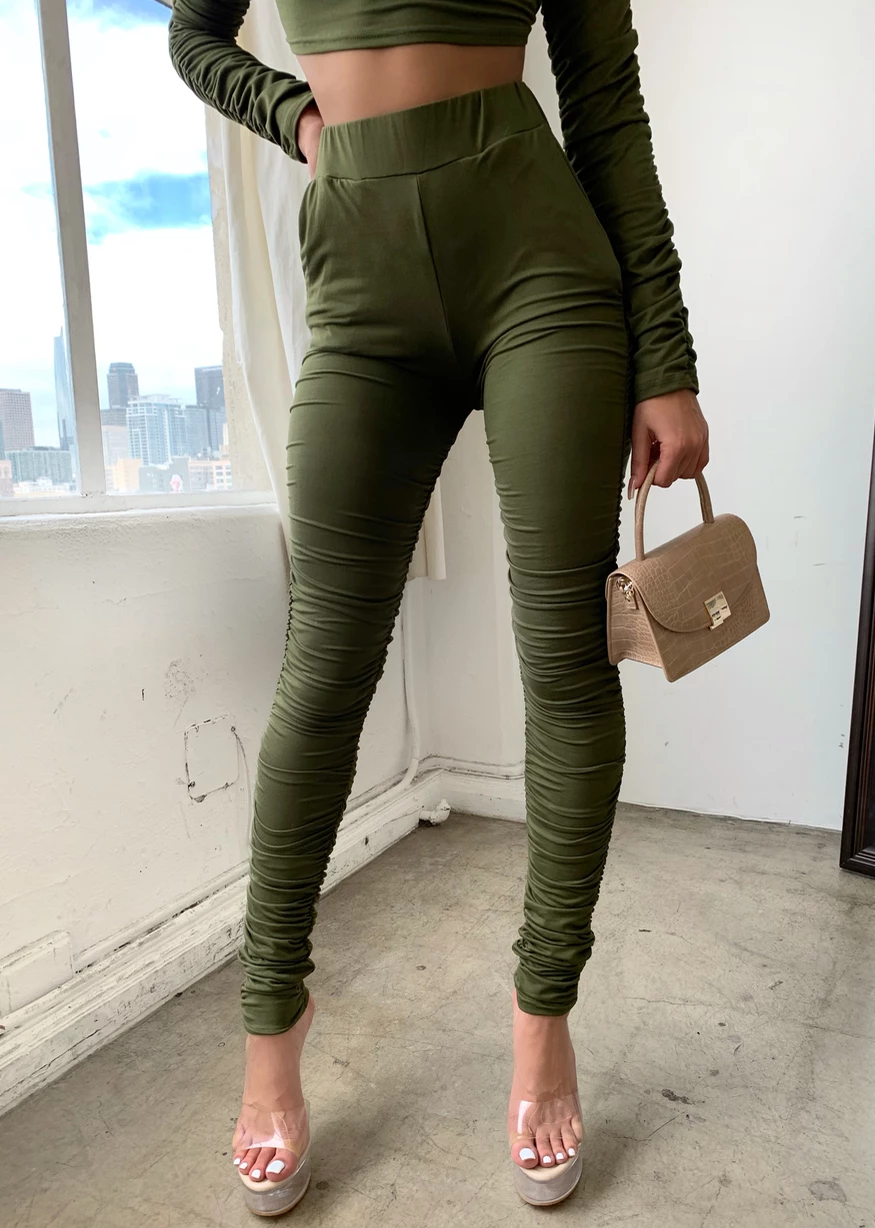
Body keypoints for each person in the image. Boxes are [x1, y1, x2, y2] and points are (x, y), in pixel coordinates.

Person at [168, 0, 709, 1213]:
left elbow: (605, 107)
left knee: (564, 658)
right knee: (322, 672)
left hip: (538, 263)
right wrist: (297, 118)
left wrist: (664, 356)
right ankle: (270, 1023)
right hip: (358, 275)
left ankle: (541, 1018)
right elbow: (192, 35)